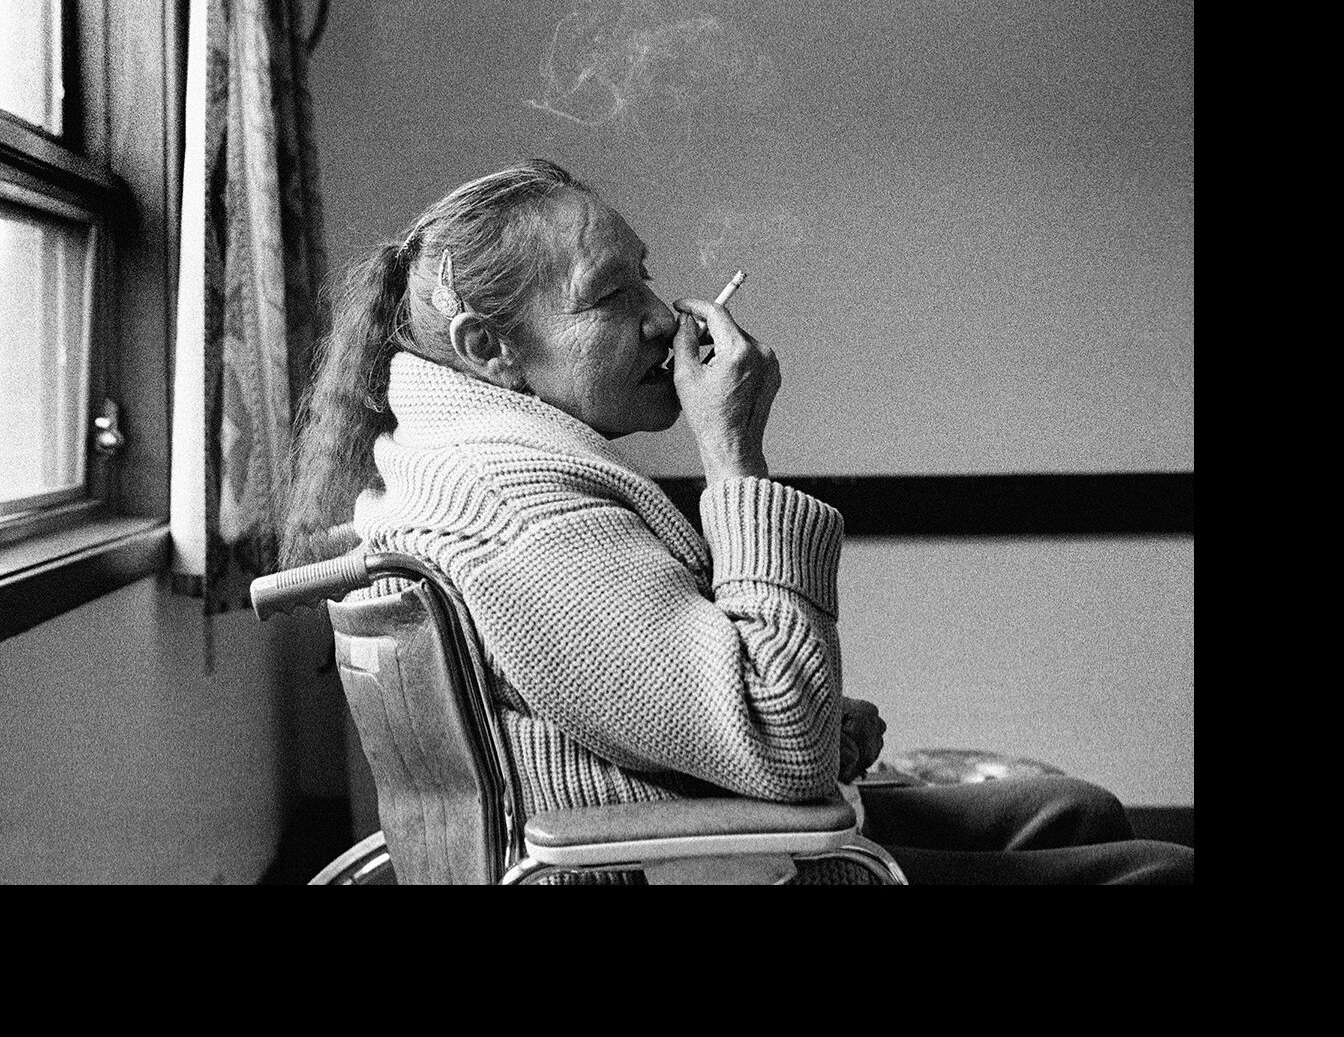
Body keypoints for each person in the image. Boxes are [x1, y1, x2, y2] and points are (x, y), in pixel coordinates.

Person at [282, 159, 1193, 885]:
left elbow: (634, 690)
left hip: (694, 823)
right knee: (1155, 869)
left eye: (646, 276)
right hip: (693, 865)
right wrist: (735, 456)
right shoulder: (510, 505)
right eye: (608, 296)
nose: (661, 317)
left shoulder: (463, 460)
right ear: (490, 348)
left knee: (1070, 811)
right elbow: (780, 746)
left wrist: (800, 714)